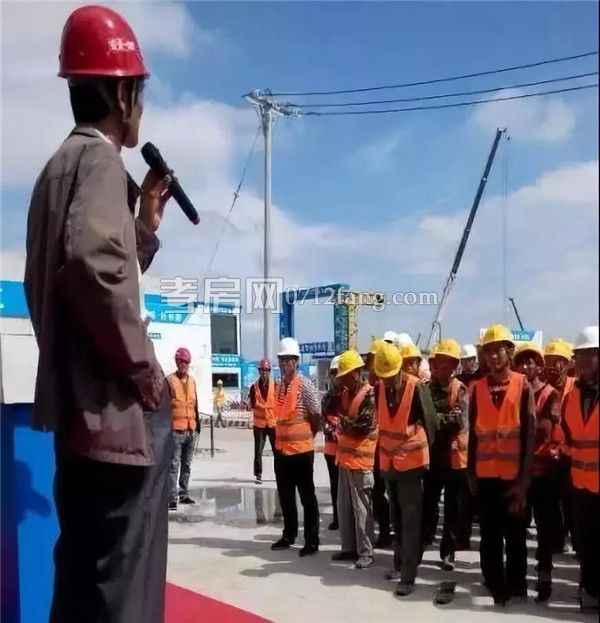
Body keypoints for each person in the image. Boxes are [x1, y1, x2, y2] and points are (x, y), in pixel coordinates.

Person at [24, 7, 173, 621]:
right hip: (115, 424)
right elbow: (92, 265)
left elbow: (79, 271)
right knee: (123, 591)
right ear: (121, 92)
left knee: (83, 586)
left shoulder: (55, 169)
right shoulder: (103, 160)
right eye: (138, 91)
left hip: (76, 422)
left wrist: (143, 229)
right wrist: (144, 372)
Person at [467, 324, 536, 606]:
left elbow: (529, 435)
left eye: (498, 350)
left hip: (513, 478)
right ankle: (495, 582)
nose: (493, 356)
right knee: (490, 535)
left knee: (515, 535)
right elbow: (473, 434)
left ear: (509, 352)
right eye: (488, 351)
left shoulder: (522, 385)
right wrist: (471, 471)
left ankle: (517, 585)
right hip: (486, 477)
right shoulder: (477, 389)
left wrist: (524, 480)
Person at [373, 342, 437, 596]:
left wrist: (423, 456)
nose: (387, 381)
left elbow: (431, 425)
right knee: (397, 520)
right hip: (390, 464)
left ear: (400, 369)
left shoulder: (416, 387)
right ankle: (399, 565)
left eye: (391, 376)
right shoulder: (380, 388)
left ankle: (408, 576)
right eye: (383, 377)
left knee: (411, 521)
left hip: (411, 465)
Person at [513, 343, 562, 602]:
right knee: (518, 526)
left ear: (540, 367)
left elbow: (545, 429)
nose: (525, 367)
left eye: (530, 362)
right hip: (519, 471)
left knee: (544, 527)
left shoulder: (551, 394)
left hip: (543, 472)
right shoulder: (514, 393)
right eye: (521, 363)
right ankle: (517, 578)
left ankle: (544, 575)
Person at [422, 339, 469, 578]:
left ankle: (448, 552)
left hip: (452, 458)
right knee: (428, 503)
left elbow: (459, 421)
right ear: (433, 364)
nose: (443, 368)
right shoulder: (425, 389)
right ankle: (424, 540)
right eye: (439, 363)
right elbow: (423, 420)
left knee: (452, 507)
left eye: (448, 364)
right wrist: (442, 419)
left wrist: (436, 420)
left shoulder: (460, 389)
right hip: (431, 456)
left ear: (454, 366)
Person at [561, 326, 599, 614]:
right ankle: (590, 590)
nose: (584, 361)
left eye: (591, 355)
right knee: (586, 543)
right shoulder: (573, 394)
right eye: (580, 356)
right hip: (581, 484)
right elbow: (569, 436)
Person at [271, 338, 321, 556]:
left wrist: (309, 434)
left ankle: (311, 540)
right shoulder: (280, 386)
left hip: (301, 452)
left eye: (288, 360)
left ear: (296, 361)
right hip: (282, 451)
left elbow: (316, 414)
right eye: (281, 360)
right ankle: (288, 535)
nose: (284, 364)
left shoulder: (305, 385)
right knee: (286, 497)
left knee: (307, 497)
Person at [332, 350, 377, 569]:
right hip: (345, 460)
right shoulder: (344, 393)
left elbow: (363, 426)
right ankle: (349, 548)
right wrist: (344, 422)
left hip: (361, 462)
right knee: (344, 507)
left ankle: (366, 553)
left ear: (356, 374)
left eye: (344, 376)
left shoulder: (369, 395)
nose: (340, 380)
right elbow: (329, 410)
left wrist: (342, 422)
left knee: (362, 510)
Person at [544, 338, 578, 554]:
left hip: (571, 454)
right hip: (548, 453)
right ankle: (558, 538)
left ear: (567, 363)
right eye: (549, 360)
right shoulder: (543, 389)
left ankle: (574, 538)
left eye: (558, 361)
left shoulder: (576, 387)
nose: (553, 366)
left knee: (571, 500)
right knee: (552, 499)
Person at [167, 347, 200, 511]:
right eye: (181, 361)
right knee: (174, 465)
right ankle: (172, 498)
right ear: (176, 362)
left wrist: (197, 426)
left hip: (190, 430)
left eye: (186, 362)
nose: (183, 365)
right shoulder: (169, 381)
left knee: (187, 465)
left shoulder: (192, 381)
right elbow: (163, 407)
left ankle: (183, 494)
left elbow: (195, 405)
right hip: (175, 431)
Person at [367, 340, 393, 547]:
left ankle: (391, 531)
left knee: (393, 495)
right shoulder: (371, 387)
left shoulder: (389, 387)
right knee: (377, 493)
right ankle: (385, 531)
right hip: (376, 452)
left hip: (392, 452)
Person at [321, 355, 342, 530]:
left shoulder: (350, 395)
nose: (336, 376)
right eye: (334, 373)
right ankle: (337, 518)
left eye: (338, 372)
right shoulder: (328, 397)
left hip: (347, 450)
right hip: (331, 450)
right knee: (335, 485)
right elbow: (325, 421)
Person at [250, 359, 277, 485]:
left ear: (269, 371)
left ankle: (279, 473)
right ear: (259, 371)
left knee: (277, 451)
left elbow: (279, 403)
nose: (264, 373)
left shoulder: (276, 385)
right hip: (259, 424)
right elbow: (253, 404)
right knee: (258, 451)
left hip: (272, 423)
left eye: (266, 370)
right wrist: (265, 407)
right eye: (262, 370)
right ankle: (258, 474)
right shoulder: (254, 387)